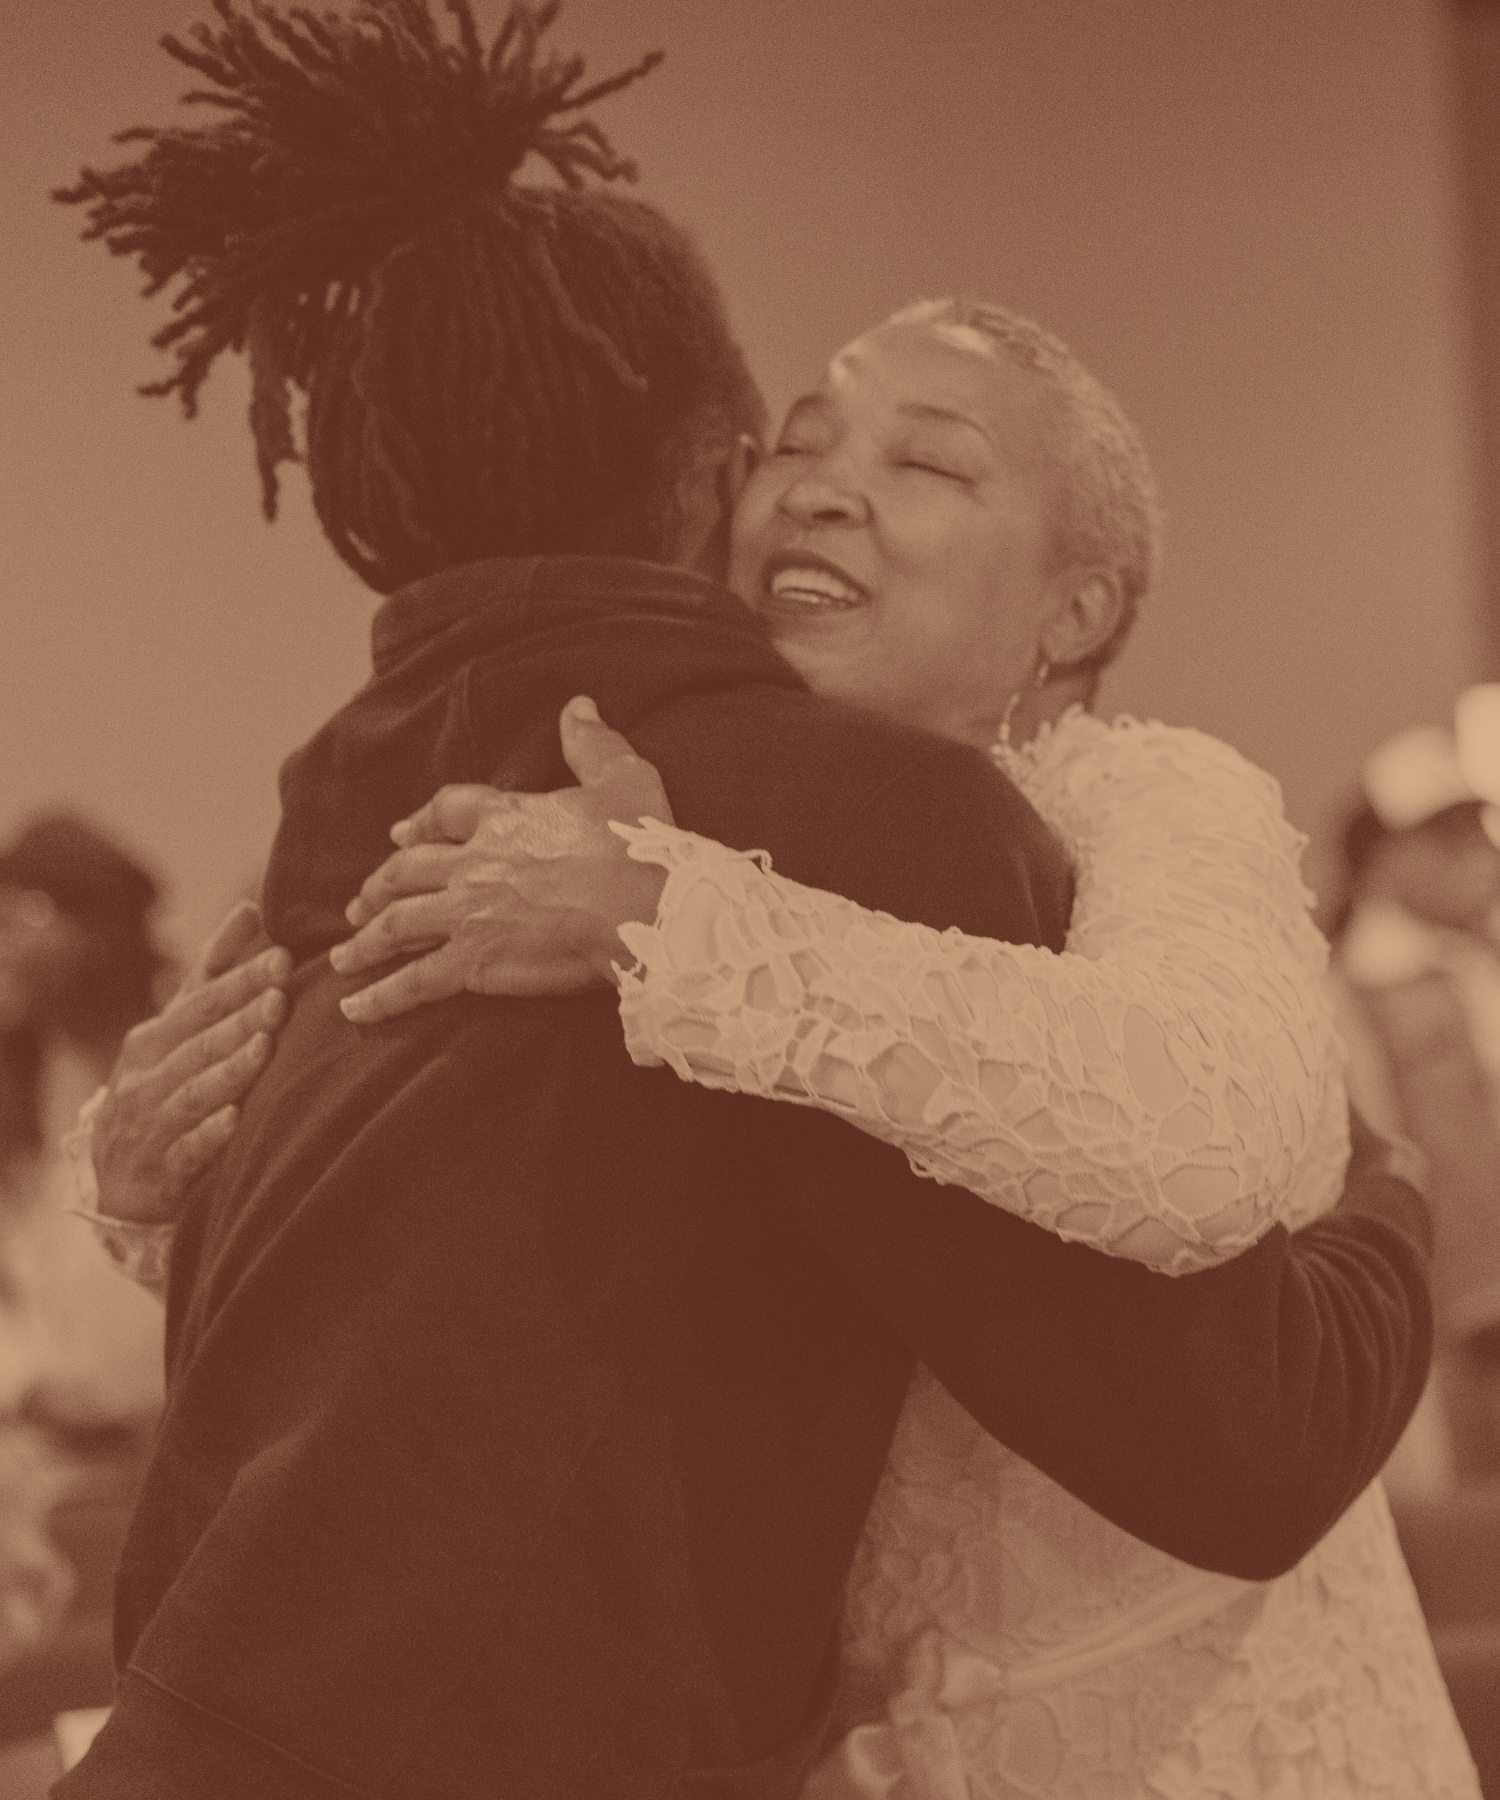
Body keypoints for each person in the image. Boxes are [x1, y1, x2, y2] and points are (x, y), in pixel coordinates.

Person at [58, 3, 1435, 1795]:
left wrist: (1390, 1189)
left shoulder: (1104, 810)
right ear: (719, 478)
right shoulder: (620, 817)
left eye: (928, 463)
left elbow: (1229, 1259)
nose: (831, 493)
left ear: (1082, 606)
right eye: (804, 440)